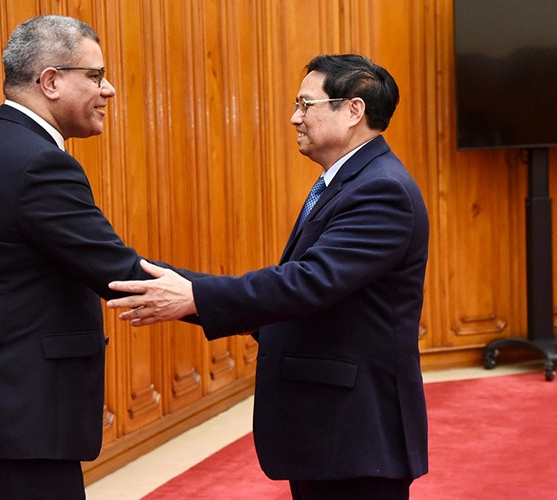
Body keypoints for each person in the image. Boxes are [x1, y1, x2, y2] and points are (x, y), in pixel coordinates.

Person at [106, 54, 429, 499]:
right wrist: (179, 288)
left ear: (353, 110)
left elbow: (307, 284)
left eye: (306, 105)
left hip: (357, 430)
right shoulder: (347, 182)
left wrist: (195, 296)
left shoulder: (381, 189)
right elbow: (296, 290)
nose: (294, 117)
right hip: (334, 429)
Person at [0, 15, 158, 499]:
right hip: (9, 418)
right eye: (95, 76)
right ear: (51, 81)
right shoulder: (37, 163)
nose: (108, 90)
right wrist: (245, 304)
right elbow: (118, 271)